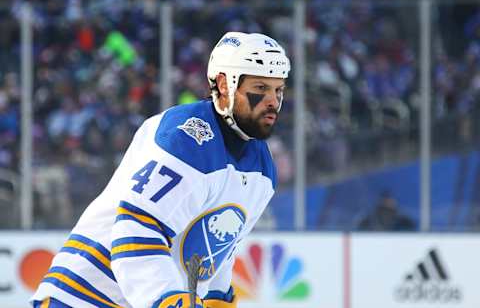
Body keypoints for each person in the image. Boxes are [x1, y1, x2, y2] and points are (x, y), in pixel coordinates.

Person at [31, 31, 290, 308]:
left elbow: (218, 252)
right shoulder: (186, 136)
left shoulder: (263, 169)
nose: (273, 101)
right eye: (260, 88)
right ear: (225, 85)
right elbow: (135, 228)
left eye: (278, 89)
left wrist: (218, 299)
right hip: (82, 298)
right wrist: (168, 301)